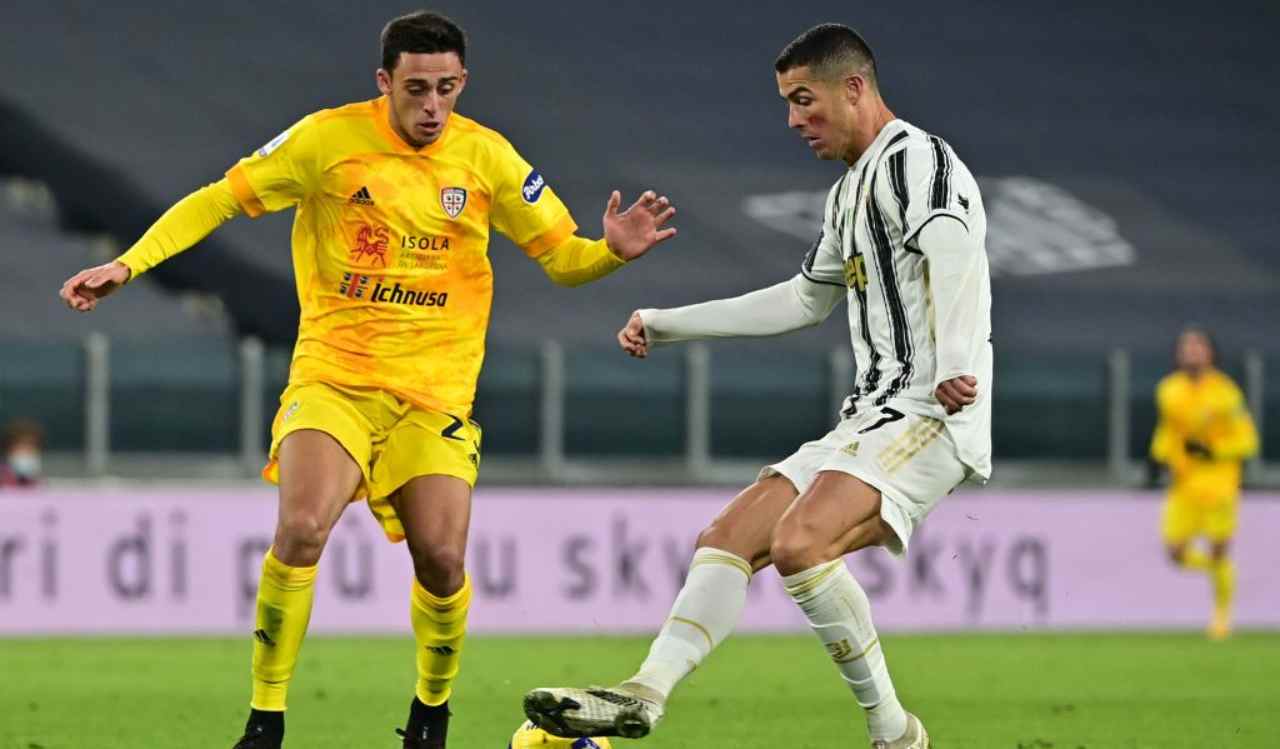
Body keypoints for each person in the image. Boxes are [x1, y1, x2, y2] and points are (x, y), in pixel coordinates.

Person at [58, 11, 677, 749]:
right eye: (416, 88)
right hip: (335, 379)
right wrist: (130, 262)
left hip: (436, 395)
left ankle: (430, 714)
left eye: (447, 89)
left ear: (462, 84)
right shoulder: (326, 140)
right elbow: (219, 197)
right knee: (302, 526)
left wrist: (610, 253)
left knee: (443, 558)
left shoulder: (489, 159)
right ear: (385, 82)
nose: (431, 106)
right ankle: (264, 721)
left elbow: (564, 261)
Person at [523, 24, 991, 749]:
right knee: (729, 537)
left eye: (804, 99)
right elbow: (803, 301)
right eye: (787, 102)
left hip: (931, 409)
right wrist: (667, 322)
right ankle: (644, 692)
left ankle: (896, 735)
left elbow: (954, 247)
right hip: (870, 417)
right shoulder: (848, 195)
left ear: (855, 87)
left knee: (802, 542)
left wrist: (957, 358)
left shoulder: (915, 160)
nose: (793, 119)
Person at [1149, 326, 1257, 640]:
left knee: (1219, 547)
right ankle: (1220, 571)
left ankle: (1221, 618)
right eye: (1186, 347)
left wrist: (1214, 451)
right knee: (1174, 553)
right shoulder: (1168, 390)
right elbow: (1168, 433)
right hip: (1184, 485)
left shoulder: (1226, 393)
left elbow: (1247, 441)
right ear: (1178, 354)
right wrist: (1157, 457)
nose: (1191, 352)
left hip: (1219, 484)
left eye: (1198, 347)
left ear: (1210, 353)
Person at [0, 418, 45, 488]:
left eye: (32, 447)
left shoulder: (37, 482)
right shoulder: (2, 478)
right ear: (8, 448)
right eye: (23, 447)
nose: (28, 452)